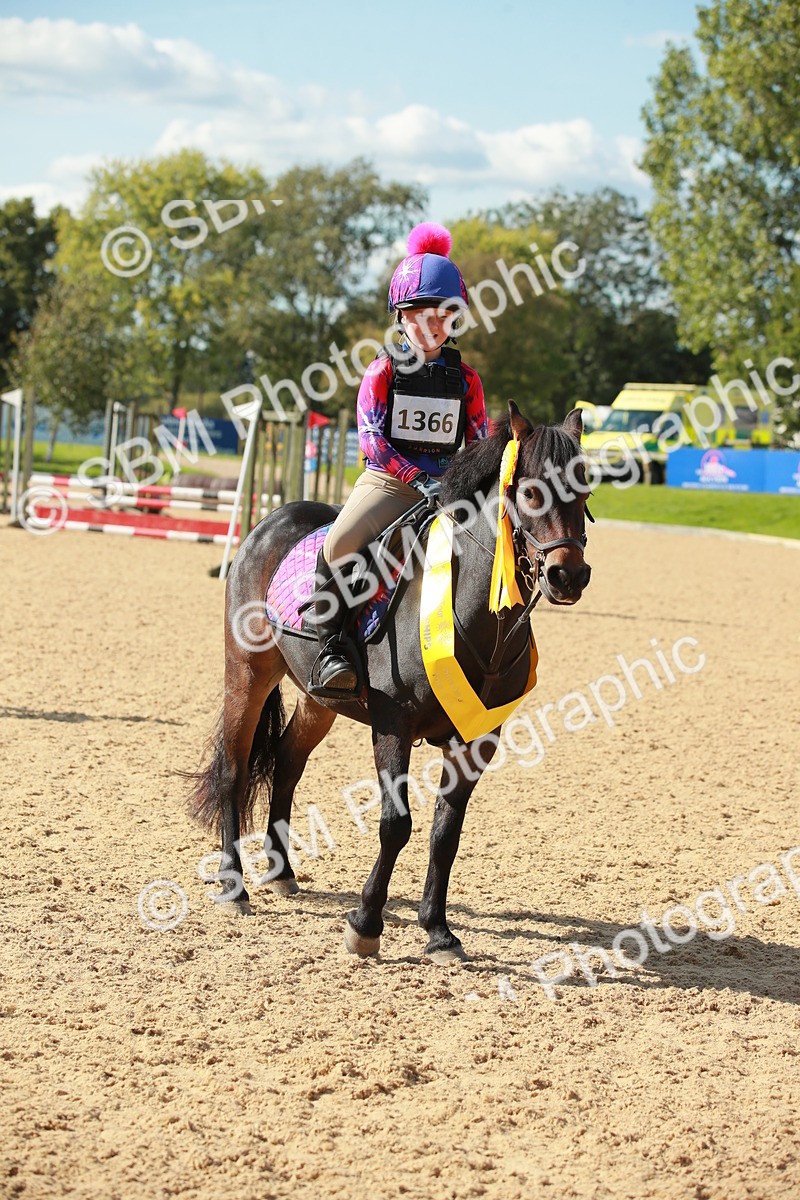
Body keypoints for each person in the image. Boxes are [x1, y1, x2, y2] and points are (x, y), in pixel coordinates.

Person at [308, 222, 488, 697]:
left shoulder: (467, 380)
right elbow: (371, 440)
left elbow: (479, 442)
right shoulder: (383, 370)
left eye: (443, 315)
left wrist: (472, 484)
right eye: (417, 315)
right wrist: (416, 477)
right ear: (400, 319)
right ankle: (331, 650)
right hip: (390, 483)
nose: (430, 325)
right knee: (339, 544)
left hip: (449, 488)